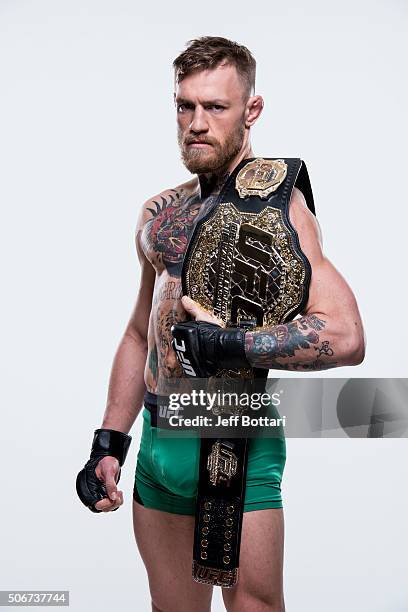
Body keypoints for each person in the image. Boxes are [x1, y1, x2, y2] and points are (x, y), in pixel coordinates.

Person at [76, 37, 365, 612]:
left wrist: (231, 344)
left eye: (216, 107)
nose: (197, 123)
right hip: (159, 445)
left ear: (251, 111)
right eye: (185, 106)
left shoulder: (281, 208)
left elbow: (347, 336)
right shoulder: (160, 214)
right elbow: (140, 334)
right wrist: (109, 440)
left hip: (235, 435)